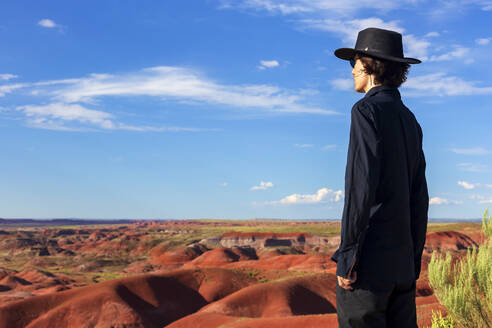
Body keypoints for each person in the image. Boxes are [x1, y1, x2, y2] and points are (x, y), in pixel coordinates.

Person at [330, 27, 429, 328]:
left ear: (368, 65)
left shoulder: (365, 111)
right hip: (401, 267)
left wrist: (348, 256)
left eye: (354, 62)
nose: (352, 71)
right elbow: (419, 197)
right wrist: (412, 261)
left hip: (368, 269)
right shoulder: (409, 119)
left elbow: (360, 188)